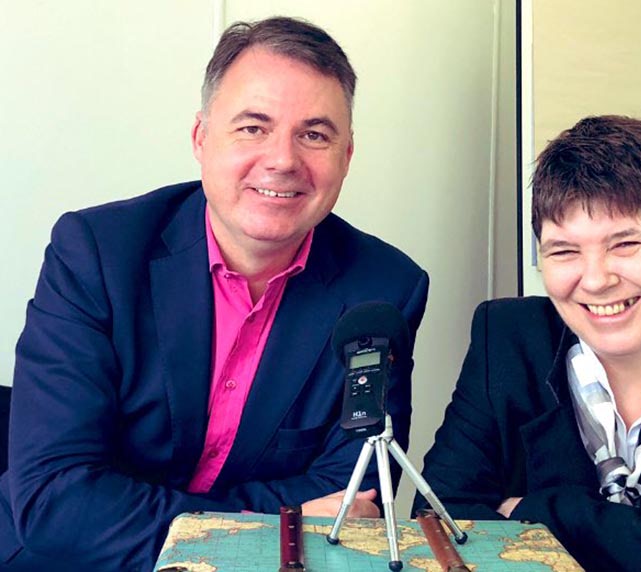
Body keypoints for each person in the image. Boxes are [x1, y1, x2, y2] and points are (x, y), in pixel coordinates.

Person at [0, 17, 428, 571]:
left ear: (346, 157)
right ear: (201, 138)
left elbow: (354, 495)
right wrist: (272, 525)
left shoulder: (385, 289)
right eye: (253, 127)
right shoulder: (97, 254)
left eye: (315, 135)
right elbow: (57, 500)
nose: (282, 160)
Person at [414, 116, 641, 571]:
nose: (595, 280)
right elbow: (437, 523)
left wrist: (549, 513)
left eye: (626, 244)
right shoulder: (508, 340)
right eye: (564, 251)